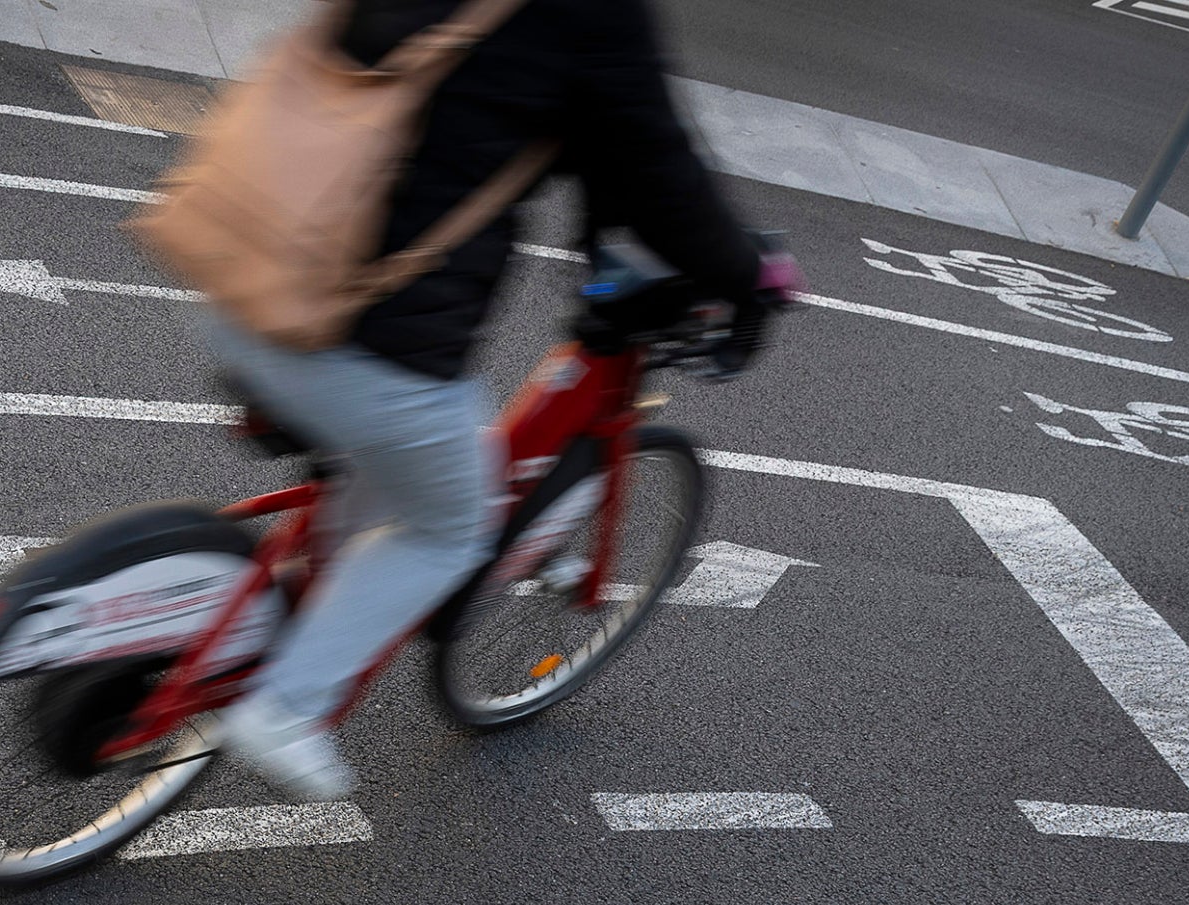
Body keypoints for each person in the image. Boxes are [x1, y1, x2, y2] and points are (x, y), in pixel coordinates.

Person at [206, 0, 780, 801]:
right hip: (354, 326)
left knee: (406, 458)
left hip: (241, 252)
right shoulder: (597, 17)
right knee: (453, 523)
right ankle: (287, 703)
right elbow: (659, 167)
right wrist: (752, 280)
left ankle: (306, 586)